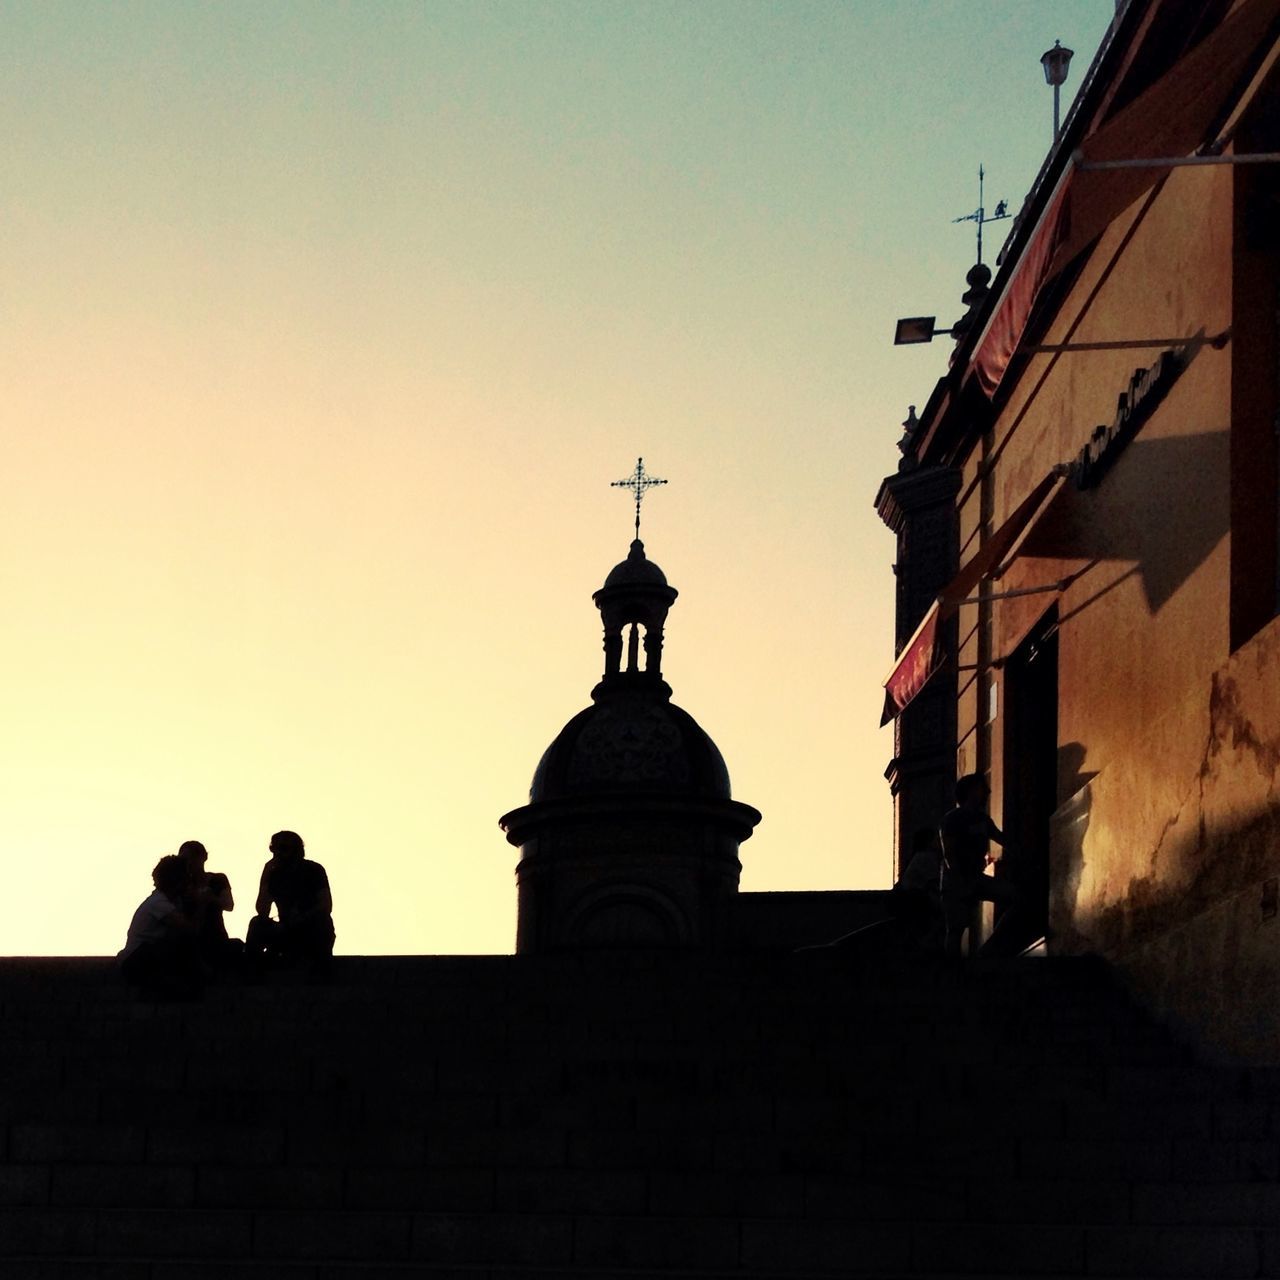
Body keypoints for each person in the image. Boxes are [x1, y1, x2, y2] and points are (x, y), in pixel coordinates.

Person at [939, 774, 1021, 958]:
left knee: (1016, 897)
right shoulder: (951, 819)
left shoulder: (984, 820)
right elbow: (949, 854)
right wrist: (961, 882)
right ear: (970, 792)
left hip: (975, 878)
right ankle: (952, 974)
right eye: (982, 788)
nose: (988, 792)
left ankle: (989, 950)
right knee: (955, 930)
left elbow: (1003, 839)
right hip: (955, 881)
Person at [246, 830, 334, 973]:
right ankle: (251, 975)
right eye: (274, 849)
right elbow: (262, 911)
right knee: (256, 923)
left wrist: (298, 920)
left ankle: (321, 974)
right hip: (286, 932)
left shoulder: (313, 870)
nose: (278, 854)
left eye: (283, 848)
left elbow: (326, 905)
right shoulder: (275, 875)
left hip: (310, 930)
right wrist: (265, 876)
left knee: (322, 922)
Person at [118, 855, 203, 997]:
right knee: (181, 939)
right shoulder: (159, 903)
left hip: (144, 958)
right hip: (136, 961)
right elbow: (188, 929)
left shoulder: (169, 902)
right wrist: (201, 904)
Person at [177, 839, 240, 968]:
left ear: (203, 857)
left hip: (215, 936)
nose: (190, 863)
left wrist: (210, 898)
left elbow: (229, 905)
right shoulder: (180, 885)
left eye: (193, 858)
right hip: (190, 938)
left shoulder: (218, 879)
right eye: (185, 860)